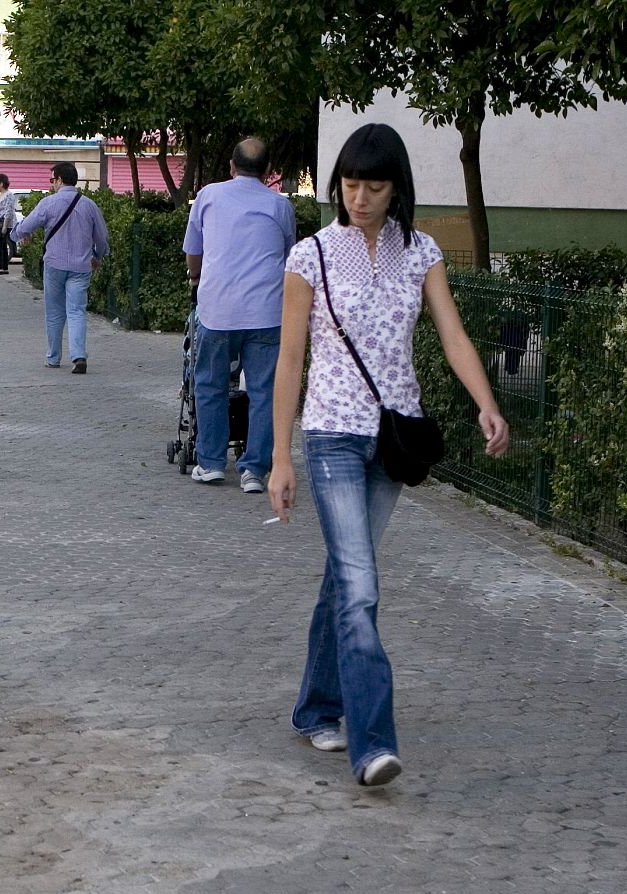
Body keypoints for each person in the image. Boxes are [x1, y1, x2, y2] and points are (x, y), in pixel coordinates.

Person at [267, 124, 509, 787]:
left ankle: (317, 704)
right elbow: (290, 360)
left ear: (396, 187)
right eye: (350, 185)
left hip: (393, 439)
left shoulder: (421, 251)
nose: (360, 198)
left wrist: (487, 402)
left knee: (347, 578)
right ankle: (371, 742)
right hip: (330, 434)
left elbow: (453, 335)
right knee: (362, 585)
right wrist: (279, 457)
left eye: (374, 186)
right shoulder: (310, 255)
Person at [182, 137, 298, 493]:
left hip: (217, 311)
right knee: (264, 392)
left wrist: (196, 276)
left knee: (209, 384)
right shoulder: (281, 207)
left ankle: (211, 462)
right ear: (268, 172)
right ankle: (254, 470)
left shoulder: (208, 196)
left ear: (231, 167)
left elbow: (193, 252)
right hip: (267, 313)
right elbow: (290, 256)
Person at [11, 162, 109, 373]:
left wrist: (17, 234)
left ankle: (53, 357)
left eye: (52, 180)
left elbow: (26, 226)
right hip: (81, 267)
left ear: (58, 180)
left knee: (55, 313)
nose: (52, 185)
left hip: (54, 265)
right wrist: (97, 256)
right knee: (76, 311)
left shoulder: (49, 203)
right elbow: (102, 238)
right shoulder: (89, 205)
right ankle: (79, 356)